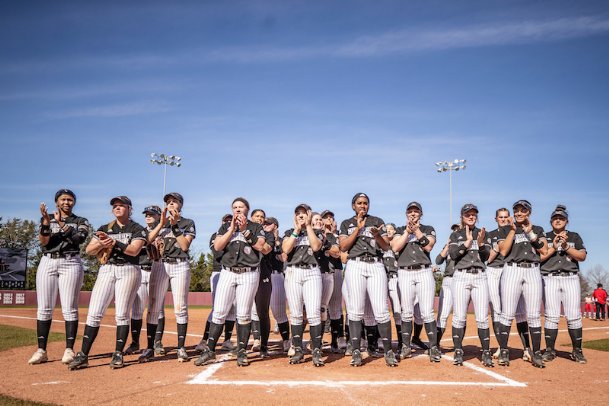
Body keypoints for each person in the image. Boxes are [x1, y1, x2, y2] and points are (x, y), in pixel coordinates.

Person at [69, 196, 147, 370]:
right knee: (94, 312)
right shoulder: (105, 228)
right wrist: (100, 244)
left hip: (128, 269)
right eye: (115, 206)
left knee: (122, 314)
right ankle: (83, 355)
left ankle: (118, 354)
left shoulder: (137, 228)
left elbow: (134, 251)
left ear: (130, 208)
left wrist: (114, 242)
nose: (117, 208)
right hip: (106, 269)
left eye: (121, 205)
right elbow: (89, 250)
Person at [195, 197, 266, 367]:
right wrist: (232, 229)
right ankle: (210, 350)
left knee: (243, 314)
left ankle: (241, 352)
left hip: (248, 273)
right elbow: (218, 246)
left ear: (247, 210)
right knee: (219, 312)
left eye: (241, 206)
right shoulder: (226, 227)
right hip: (227, 272)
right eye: (235, 207)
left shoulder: (256, 227)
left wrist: (244, 230)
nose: (238, 209)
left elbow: (261, 245)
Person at [29, 189, 90, 365]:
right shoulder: (46, 217)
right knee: (44, 308)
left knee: (69, 307)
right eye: (63, 199)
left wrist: (60, 224)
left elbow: (79, 239)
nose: (66, 202)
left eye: (70, 200)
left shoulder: (80, 221)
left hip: (70, 262)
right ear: (57, 202)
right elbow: (44, 241)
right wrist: (47, 223)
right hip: (48, 260)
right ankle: (41, 350)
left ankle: (69, 349)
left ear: (74, 203)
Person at [339, 193, 398, 367]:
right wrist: (357, 229)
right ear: (353, 206)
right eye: (359, 203)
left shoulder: (377, 220)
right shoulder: (346, 223)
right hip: (355, 265)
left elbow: (386, 246)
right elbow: (343, 246)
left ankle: (388, 351)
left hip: (375, 265)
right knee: (355, 309)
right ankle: (356, 351)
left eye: (365, 203)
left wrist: (377, 235)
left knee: (381, 309)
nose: (362, 206)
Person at [143, 193, 196, 362]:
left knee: (180, 307)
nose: (171, 204)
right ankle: (150, 347)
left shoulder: (188, 223)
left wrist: (174, 226)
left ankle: (181, 348)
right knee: (153, 307)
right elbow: (147, 241)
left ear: (181, 205)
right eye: (168, 202)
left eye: (174, 201)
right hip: (159, 264)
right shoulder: (160, 223)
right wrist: (161, 224)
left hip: (180, 265)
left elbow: (185, 246)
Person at [495, 200, 547, 368]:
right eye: (516, 210)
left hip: (532, 270)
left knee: (533, 315)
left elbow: (544, 250)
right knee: (507, 313)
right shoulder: (506, 229)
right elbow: (503, 251)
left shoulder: (537, 229)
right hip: (512, 269)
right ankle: (504, 350)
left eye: (522, 210)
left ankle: (536, 352)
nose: (518, 213)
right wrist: (512, 230)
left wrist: (530, 233)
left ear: (528, 213)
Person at [390, 201, 441, 363]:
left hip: (424, 271)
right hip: (405, 272)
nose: (413, 214)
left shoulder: (427, 229)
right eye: (410, 211)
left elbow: (429, 246)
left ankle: (433, 347)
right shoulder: (399, 230)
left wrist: (416, 230)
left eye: (416, 211)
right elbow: (395, 247)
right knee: (406, 312)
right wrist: (407, 231)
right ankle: (405, 346)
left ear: (421, 214)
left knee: (427, 311)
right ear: (406, 214)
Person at [540, 204, 588, 363]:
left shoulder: (574, 237)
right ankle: (549, 350)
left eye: (561, 218)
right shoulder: (545, 236)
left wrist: (566, 246)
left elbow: (582, 256)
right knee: (551, 316)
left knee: (574, 316)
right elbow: (539, 258)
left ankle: (577, 351)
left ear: (567, 221)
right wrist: (554, 247)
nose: (558, 220)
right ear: (550, 221)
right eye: (555, 218)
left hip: (570, 277)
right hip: (550, 277)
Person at [448, 204, 492, 367]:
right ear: (462, 216)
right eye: (468, 214)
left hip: (480, 276)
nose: (471, 216)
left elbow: (486, 257)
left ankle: (486, 352)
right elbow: (452, 255)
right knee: (459, 316)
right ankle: (458, 351)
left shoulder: (482, 233)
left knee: (482, 317)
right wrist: (466, 243)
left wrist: (480, 244)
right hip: (461, 276)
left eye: (474, 214)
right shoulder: (456, 234)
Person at [486, 208, 532, 362]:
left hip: (510, 270)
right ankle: (501, 347)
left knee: (520, 311)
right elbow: (487, 257)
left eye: (506, 217)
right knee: (497, 311)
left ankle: (527, 348)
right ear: (496, 218)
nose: (504, 219)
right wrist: (496, 248)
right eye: (500, 217)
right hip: (493, 271)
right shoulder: (491, 234)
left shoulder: (517, 232)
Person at [282, 204, 325, 366]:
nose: (301, 216)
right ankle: (298, 350)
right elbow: (286, 248)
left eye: (304, 213)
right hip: (293, 272)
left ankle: (316, 351)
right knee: (296, 313)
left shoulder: (317, 232)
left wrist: (307, 226)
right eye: (298, 213)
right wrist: (297, 230)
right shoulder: (289, 232)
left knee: (314, 313)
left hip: (312, 272)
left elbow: (315, 246)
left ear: (309, 215)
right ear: (294, 217)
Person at [124, 205, 164, 356]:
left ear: (159, 217)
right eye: (146, 214)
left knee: (157, 309)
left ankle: (157, 342)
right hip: (140, 270)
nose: (148, 216)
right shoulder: (138, 231)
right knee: (137, 309)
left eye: (152, 214)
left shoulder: (164, 231)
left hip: (156, 270)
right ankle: (135, 343)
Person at [195, 214, 236, 355]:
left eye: (231, 221)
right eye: (226, 221)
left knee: (233, 309)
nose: (228, 223)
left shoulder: (238, 234)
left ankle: (227, 340)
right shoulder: (216, 234)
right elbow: (218, 253)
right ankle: (204, 340)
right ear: (222, 222)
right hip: (219, 272)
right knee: (217, 308)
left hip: (234, 273)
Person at [249, 209, 275, 358]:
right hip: (246, 274)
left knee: (262, 312)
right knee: (244, 312)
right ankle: (244, 345)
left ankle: (264, 346)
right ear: (251, 218)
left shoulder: (268, 235)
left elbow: (265, 250)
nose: (259, 219)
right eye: (256, 216)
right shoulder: (242, 231)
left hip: (263, 274)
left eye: (262, 217)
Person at [313, 212, 338, 348]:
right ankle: (296, 341)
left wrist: (326, 244)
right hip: (312, 274)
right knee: (309, 309)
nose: (318, 222)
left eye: (319, 220)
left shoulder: (329, 236)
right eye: (316, 219)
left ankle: (318, 340)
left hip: (327, 274)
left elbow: (336, 252)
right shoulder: (307, 234)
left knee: (323, 309)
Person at [324, 210, 347, 353]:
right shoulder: (317, 233)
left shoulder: (338, 235)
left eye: (331, 217)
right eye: (326, 217)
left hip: (337, 271)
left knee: (336, 308)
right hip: (321, 271)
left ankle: (336, 340)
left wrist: (334, 236)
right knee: (318, 308)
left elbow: (341, 254)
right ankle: (317, 341)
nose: (329, 219)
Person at [266, 217, 290, 352]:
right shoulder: (260, 238)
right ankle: (259, 340)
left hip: (276, 275)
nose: (266, 225)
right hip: (260, 275)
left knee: (278, 311)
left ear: (275, 226)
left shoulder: (281, 241)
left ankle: (286, 340)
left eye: (269, 224)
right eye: (265, 223)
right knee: (255, 311)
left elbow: (284, 257)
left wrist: (276, 242)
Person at [435, 224, 460, 349]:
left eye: (457, 230)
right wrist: (447, 246)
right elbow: (438, 260)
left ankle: (458, 346)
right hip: (447, 280)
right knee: (442, 314)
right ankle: (436, 344)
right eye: (454, 230)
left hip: (461, 279)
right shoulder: (448, 247)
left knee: (459, 315)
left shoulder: (468, 245)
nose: (455, 232)